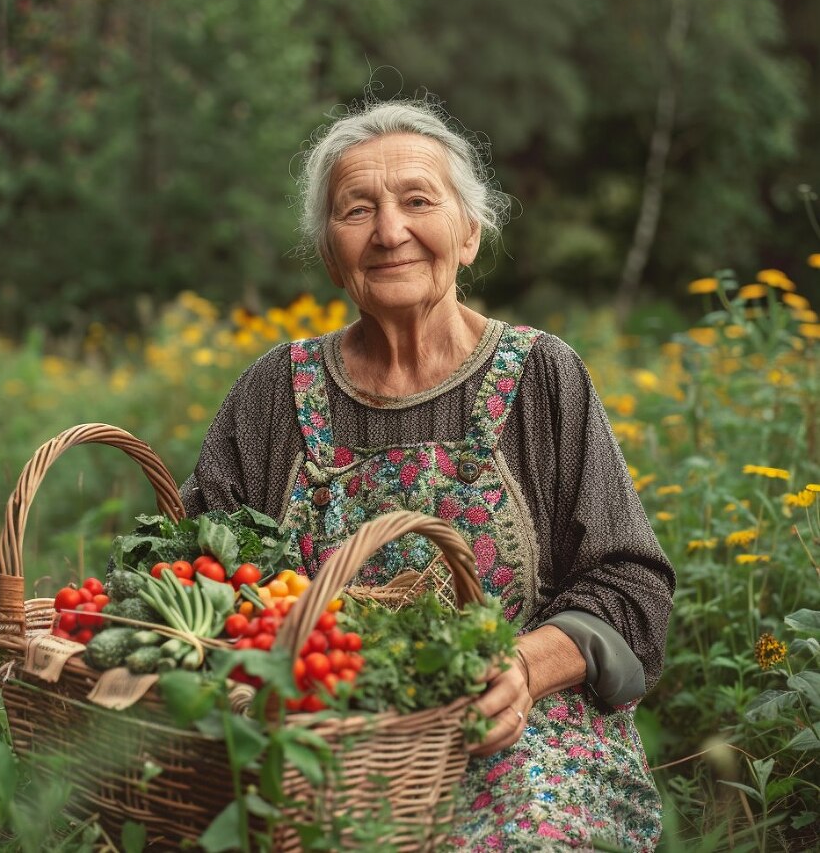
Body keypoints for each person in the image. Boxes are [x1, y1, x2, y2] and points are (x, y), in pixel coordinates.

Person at [180, 97, 675, 851]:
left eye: (418, 201)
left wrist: (526, 666)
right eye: (356, 210)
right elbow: (194, 574)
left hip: (513, 733)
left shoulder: (542, 376)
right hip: (313, 740)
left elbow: (632, 585)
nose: (389, 231)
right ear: (327, 249)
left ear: (469, 233)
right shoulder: (272, 393)